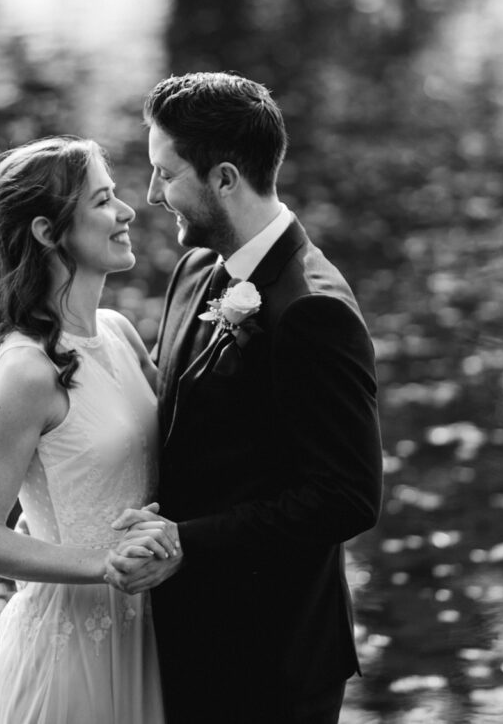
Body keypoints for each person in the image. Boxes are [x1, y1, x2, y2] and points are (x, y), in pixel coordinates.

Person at [105, 73, 385, 723]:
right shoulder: (197, 267)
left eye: (166, 175)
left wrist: (186, 541)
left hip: (272, 662)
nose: (151, 194)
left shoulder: (313, 311)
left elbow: (347, 497)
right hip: (187, 641)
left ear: (225, 178)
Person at [0, 136, 171, 724]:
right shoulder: (26, 370)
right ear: (49, 232)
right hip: (72, 645)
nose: (127, 212)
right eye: (103, 201)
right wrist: (103, 562)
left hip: (152, 631)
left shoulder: (120, 332)